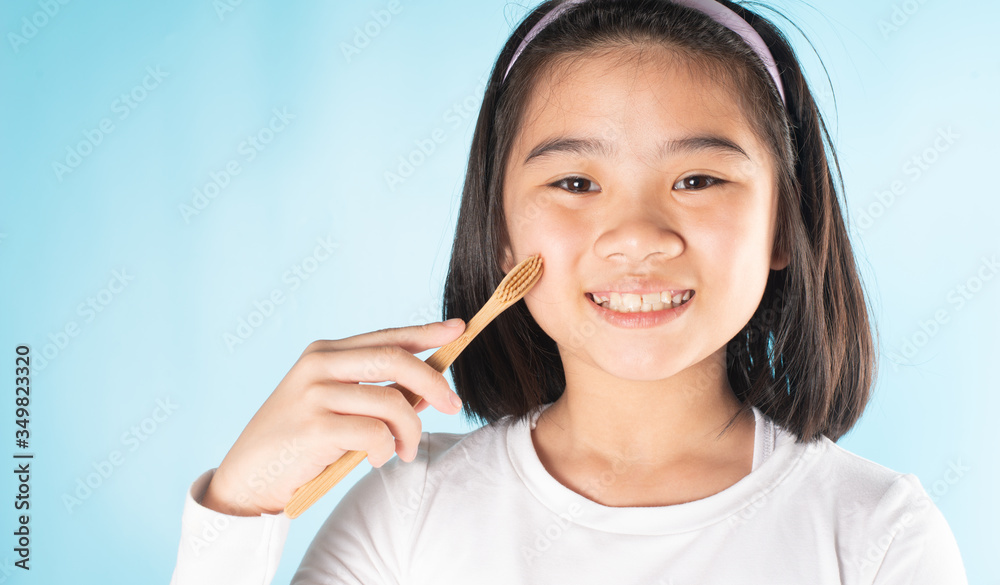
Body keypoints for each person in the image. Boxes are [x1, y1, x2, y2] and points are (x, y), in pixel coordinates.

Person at [170, 0, 969, 583]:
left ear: (785, 226)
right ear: (501, 232)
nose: (637, 235)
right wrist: (238, 505)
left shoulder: (877, 535)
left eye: (698, 179)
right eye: (576, 182)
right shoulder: (407, 511)